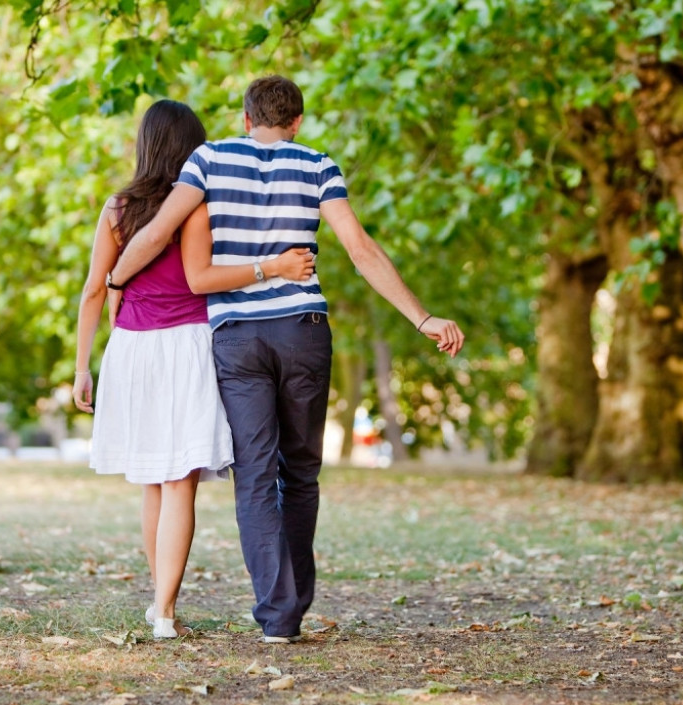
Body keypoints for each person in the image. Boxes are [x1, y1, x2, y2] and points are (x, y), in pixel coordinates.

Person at [108, 75, 465, 643]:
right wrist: (422, 318)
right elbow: (361, 248)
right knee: (300, 472)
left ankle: (275, 616)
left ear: (246, 119)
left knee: (254, 474)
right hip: (303, 331)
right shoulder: (319, 164)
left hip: (238, 338)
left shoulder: (209, 159)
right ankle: (291, 610)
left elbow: (157, 233)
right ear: (297, 121)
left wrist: (115, 276)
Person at [73, 98, 316, 640]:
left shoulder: (116, 209)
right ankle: (163, 610)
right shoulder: (198, 205)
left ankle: (159, 603)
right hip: (186, 346)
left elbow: (94, 289)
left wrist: (81, 366)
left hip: (131, 348)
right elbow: (202, 277)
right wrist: (271, 268)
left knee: (151, 482)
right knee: (179, 482)